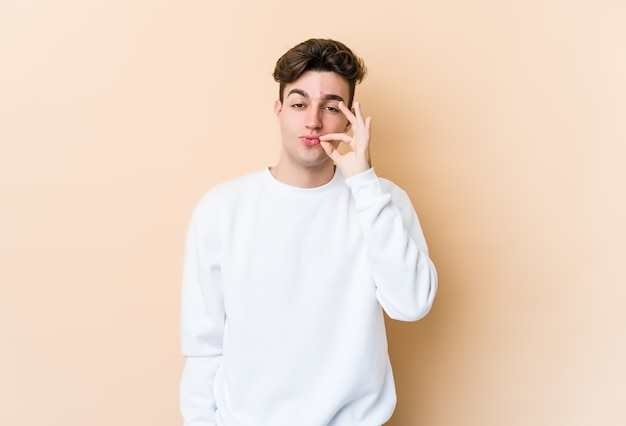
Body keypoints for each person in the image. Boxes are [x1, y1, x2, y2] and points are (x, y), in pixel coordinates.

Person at [179, 38, 438, 426]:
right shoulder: (222, 209)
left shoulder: (381, 202)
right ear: (279, 110)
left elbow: (412, 303)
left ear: (350, 116)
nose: (314, 121)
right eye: (299, 104)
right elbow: (203, 346)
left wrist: (364, 183)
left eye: (331, 107)